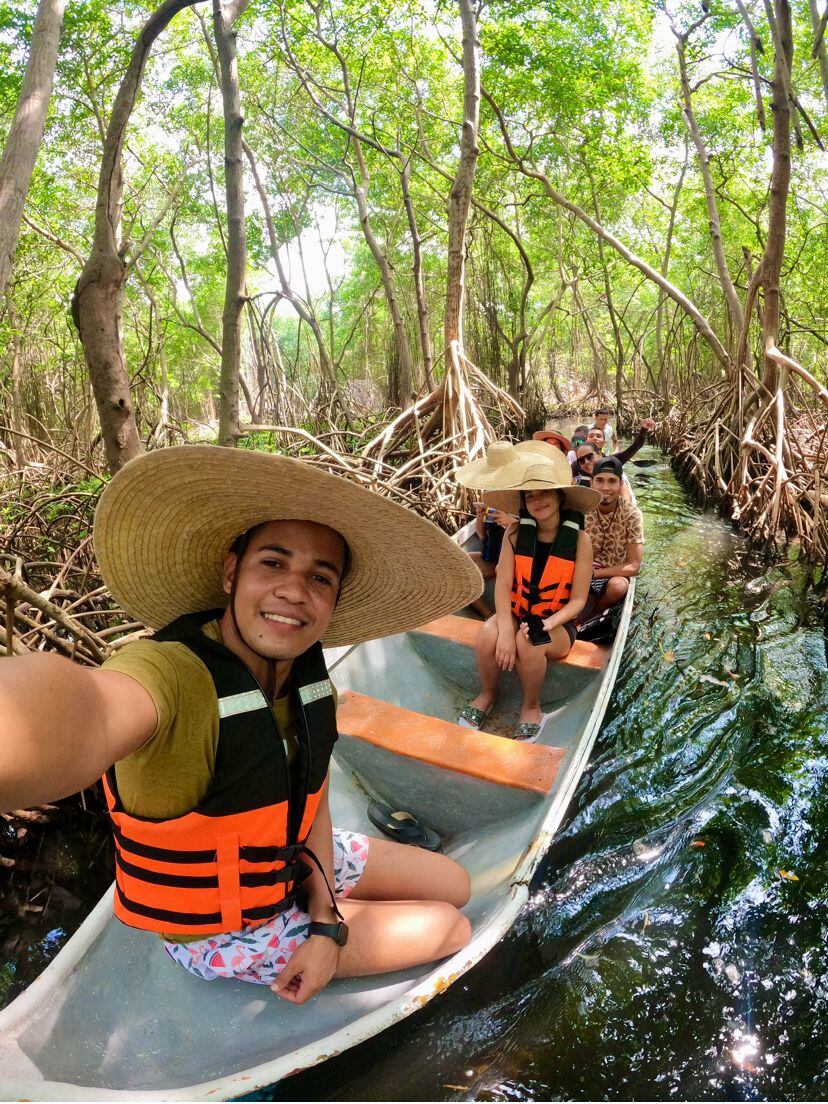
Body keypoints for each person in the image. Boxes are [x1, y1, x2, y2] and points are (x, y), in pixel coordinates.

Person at [0, 445, 483, 1002]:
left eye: (320, 577)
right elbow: (84, 708)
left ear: (334, 599)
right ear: (232, 572)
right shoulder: (169, 674)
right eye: (273, 563)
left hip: (291, 855)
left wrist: (326, 920)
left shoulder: (305, 673)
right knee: (451, 927)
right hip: (221, 928)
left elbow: (313, 793)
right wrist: (324, 937)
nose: (294, 591)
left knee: (455, 883)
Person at [454, 442, 600, 741]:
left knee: (531, 640)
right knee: (487, 634)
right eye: (529, 495)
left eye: (544, 492)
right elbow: (503, 584)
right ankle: (488, 693)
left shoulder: (580, 541)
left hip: (557, 623)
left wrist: (548, 622)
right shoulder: (514, 532)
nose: (537, 500)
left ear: (560, 496)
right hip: (517, 611)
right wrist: (505, 631)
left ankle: (532, 707)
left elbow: (578, 600)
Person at [582, 455, 643, 622]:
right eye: (599, 480)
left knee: (619, 586)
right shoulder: (582, 509)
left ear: (621, 484)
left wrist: (595, 574)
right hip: (582, 569)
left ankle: (595, 615)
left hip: (611, 574)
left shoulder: (632, 515)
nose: (605, 487)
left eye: (612, 481)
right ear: (591, 482)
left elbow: (634, 566)